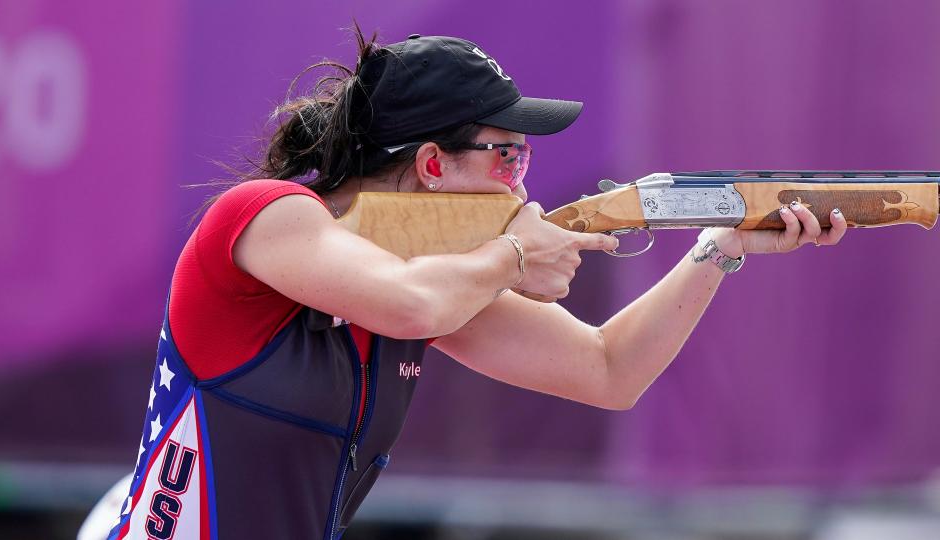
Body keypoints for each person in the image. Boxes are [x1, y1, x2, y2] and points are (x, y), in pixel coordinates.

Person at [105, 30, 846, 540]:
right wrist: (514, 255)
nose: (519, 183)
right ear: (432, 164)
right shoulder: (264, 215)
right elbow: (409, 301)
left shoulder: (437, 279)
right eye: (508, 157)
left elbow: (608, 371)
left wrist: (719, 249)